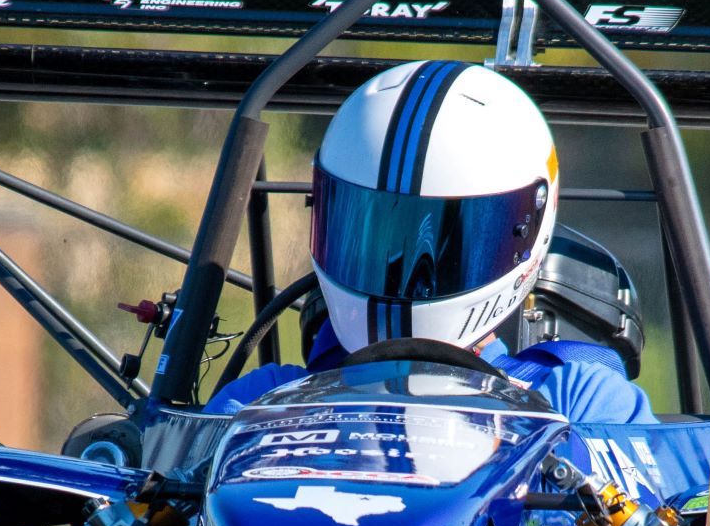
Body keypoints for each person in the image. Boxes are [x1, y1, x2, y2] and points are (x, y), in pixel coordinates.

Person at [207, 60, 656, 426]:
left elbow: (694, 515)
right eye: (374, 231)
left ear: (529, 229)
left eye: (446, 244)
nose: (406, 272)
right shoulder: (260, 400)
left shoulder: (580, 402)